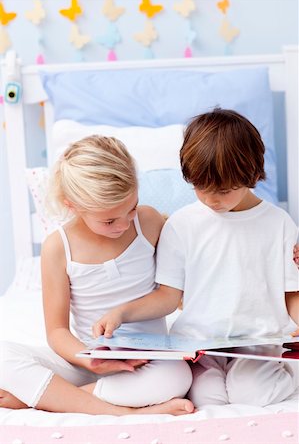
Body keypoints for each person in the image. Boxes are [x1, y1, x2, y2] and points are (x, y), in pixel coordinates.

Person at [94, 108, 299, 408]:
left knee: (251, 395)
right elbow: (167, 296)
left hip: (258, 343)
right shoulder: (181, 224)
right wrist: (122, 313)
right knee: (208, 399)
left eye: (224, 191)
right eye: (201, 188)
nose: (211, 199)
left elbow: (291, 293)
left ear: (252, 175)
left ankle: (293, 372)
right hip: (200, 344)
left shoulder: (278, 223)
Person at [0, 135, 194, 416]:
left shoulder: (149, 223)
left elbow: (168, 296)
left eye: (131, 208)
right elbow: (57, 332)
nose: (125, 223)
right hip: (87, 362)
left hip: (147, 362)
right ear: (72, 205)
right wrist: (92, 361)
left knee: (178, 377)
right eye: (109, 220)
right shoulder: (58, 247)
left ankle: (56, 398)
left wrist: (123, 313)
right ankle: (124, 413)